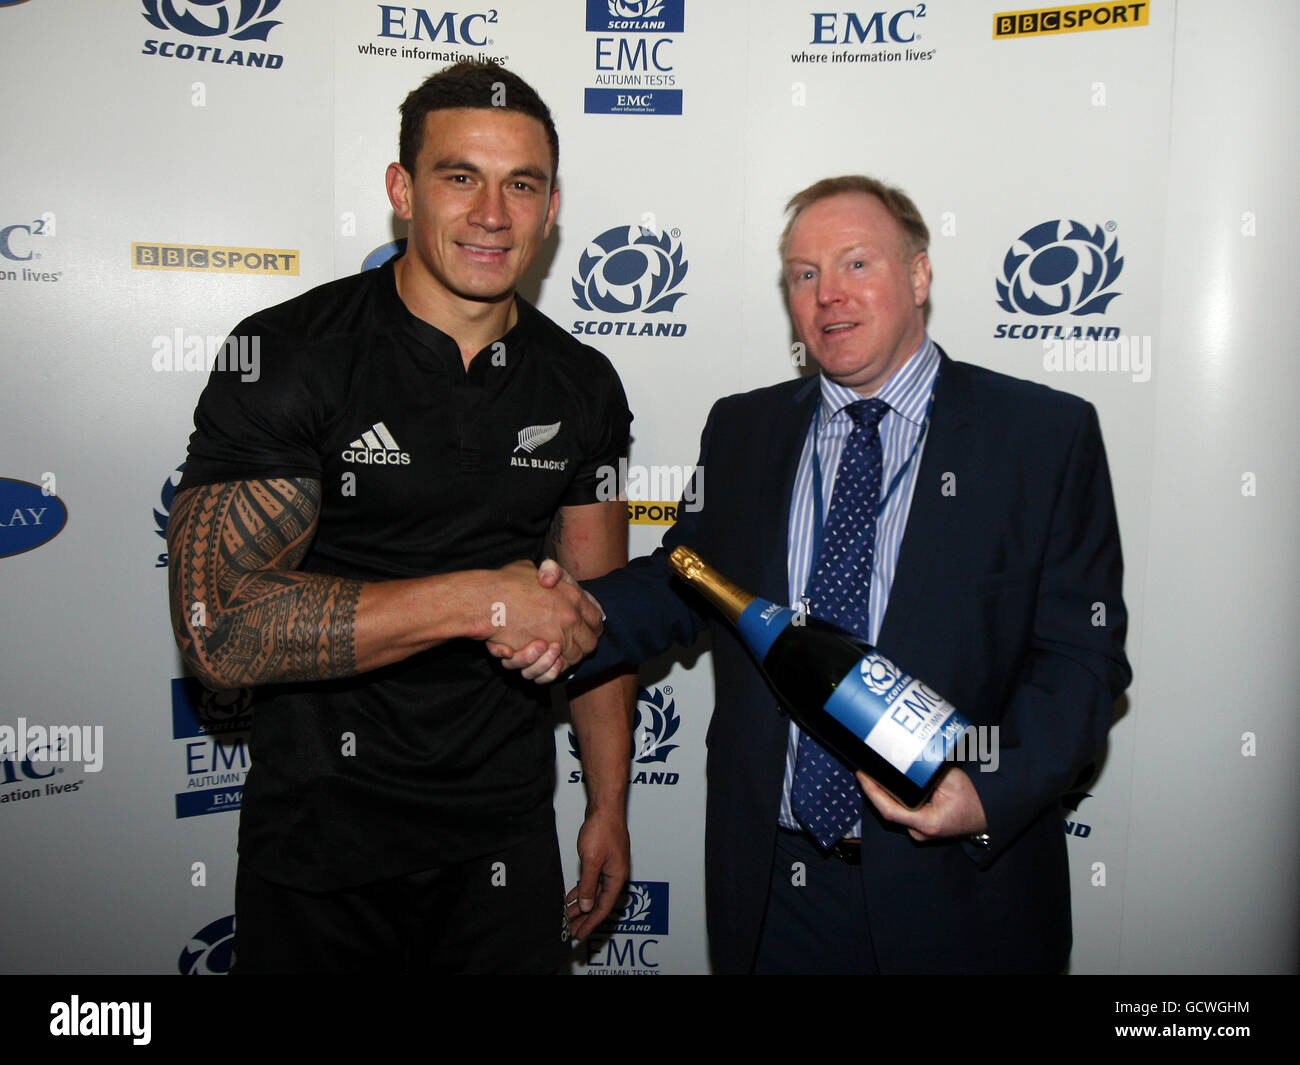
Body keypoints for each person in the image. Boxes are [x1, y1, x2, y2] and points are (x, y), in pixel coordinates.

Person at [499, 175, 1131, 974]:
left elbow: (1083, 659)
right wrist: (568, 610)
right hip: (774, 896)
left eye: (856, 264)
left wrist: (983, 792)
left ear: (920, 276)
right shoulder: (744, 428)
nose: (829, 294)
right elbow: (681, 580)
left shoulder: (1042, 435)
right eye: (804, 274)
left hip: (962, 898)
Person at [166, 61, 636, 974]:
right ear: (401, 191)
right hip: (320, 846)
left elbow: (598, 612)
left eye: (522, 185)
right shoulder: (291, 355)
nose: (492, 212)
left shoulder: (583, 382)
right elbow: (217, 626)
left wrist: (608, 801)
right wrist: (480, 599)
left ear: (549, 208)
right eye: (460, 176)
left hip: (502, 840)